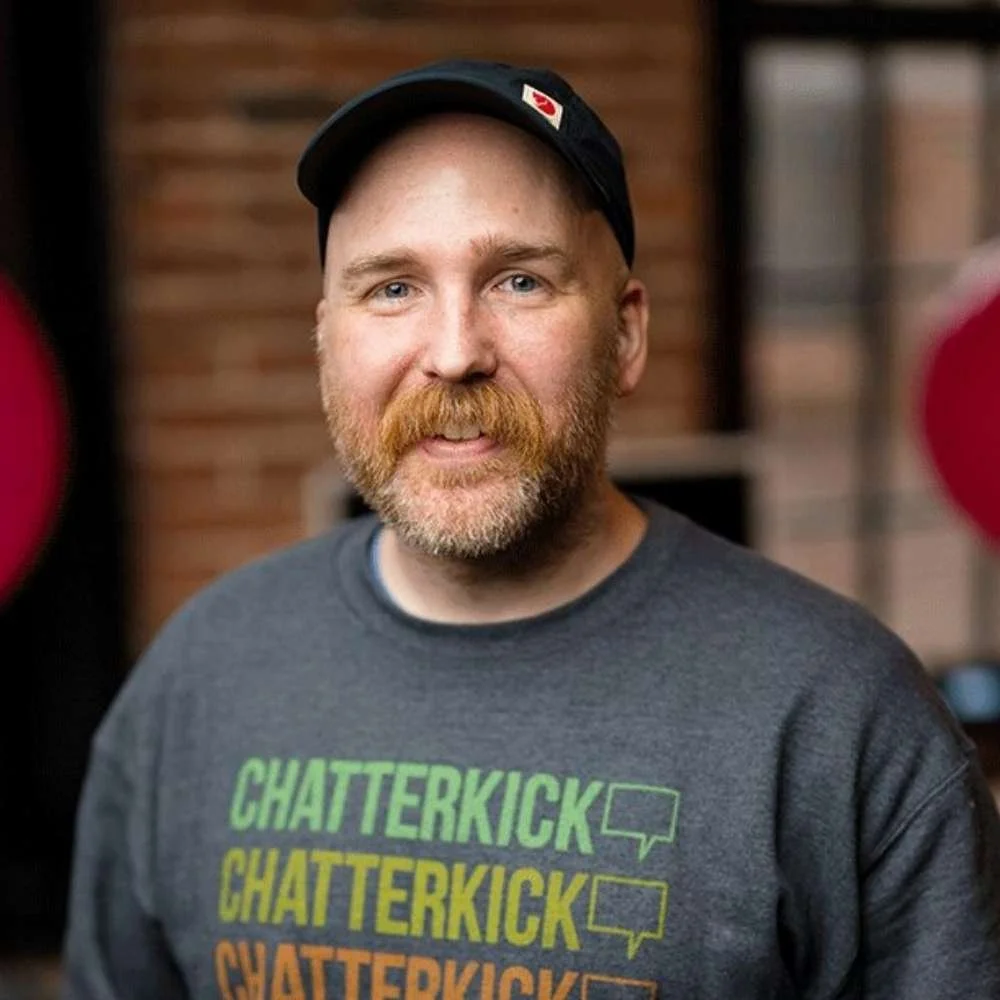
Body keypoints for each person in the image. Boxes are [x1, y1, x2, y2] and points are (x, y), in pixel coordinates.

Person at [60, 59, 1000, 1000]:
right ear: (326, 339)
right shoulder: (196, 681)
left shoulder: (840, 717)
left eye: (519, 281)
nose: (454, 353)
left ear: (625, 337)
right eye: (392, 288)